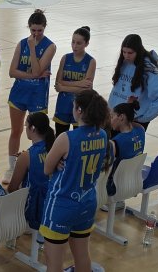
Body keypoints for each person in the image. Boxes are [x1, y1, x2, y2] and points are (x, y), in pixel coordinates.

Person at [39, 89, 109, 272]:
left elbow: (47, 168)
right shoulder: (103, 135)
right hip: (87, 202)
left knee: (53, 264)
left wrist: (59, 164)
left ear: (79, 110)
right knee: (82, 257)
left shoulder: (66, 138)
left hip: (62, 205)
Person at [3, 9, 56, 184]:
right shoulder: (21, 43)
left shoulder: (50, 46)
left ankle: (34, 166)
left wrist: (32, 50)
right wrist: (33, 75)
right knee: (16, 131)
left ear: (45, 27)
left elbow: (35, 69)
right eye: (33, 30)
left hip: (38, 95)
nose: (36, 33)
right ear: (29, 27)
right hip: (19, 93)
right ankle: (12, 167)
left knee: (37, 134)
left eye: (39, 30)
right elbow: (12, 72)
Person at [7, 112, 55, 243]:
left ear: (32, 128)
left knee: (4, 197)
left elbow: (12, 188)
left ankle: (21, 228)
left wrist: (21, 162)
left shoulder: (27, 156)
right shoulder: (55, 147)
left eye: (26, 125)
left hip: (34, 209)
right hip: (54, 204)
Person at [109, 34, 158, 131]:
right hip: (116, 117)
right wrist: (110, 110)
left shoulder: (148, 69)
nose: (126, 56)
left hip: (134, 120)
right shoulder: (123, 62)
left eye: (130, 53)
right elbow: (117, 89)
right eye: (124, 52)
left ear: (138, 51)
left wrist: (144, 118)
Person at [101, 100, 145, 211]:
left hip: (116, 187)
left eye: (111, 116)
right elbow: (134, 125)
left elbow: (105, 169)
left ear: (121, 117)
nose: (110, 120)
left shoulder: (115, 143)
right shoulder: (141, 131)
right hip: (134, 181)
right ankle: (119, 201)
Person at [53, 26, 96, 137]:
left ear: (86, 44)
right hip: (63, 105)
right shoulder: (65, 58)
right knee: (60, 137)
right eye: (73, 42)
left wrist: (64, 87)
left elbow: (86, 89)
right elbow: (58, 83)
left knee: (79, 139)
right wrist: (78, 83)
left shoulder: (91, 61)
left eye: (79, 43)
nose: (74, 46)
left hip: (81, 106)